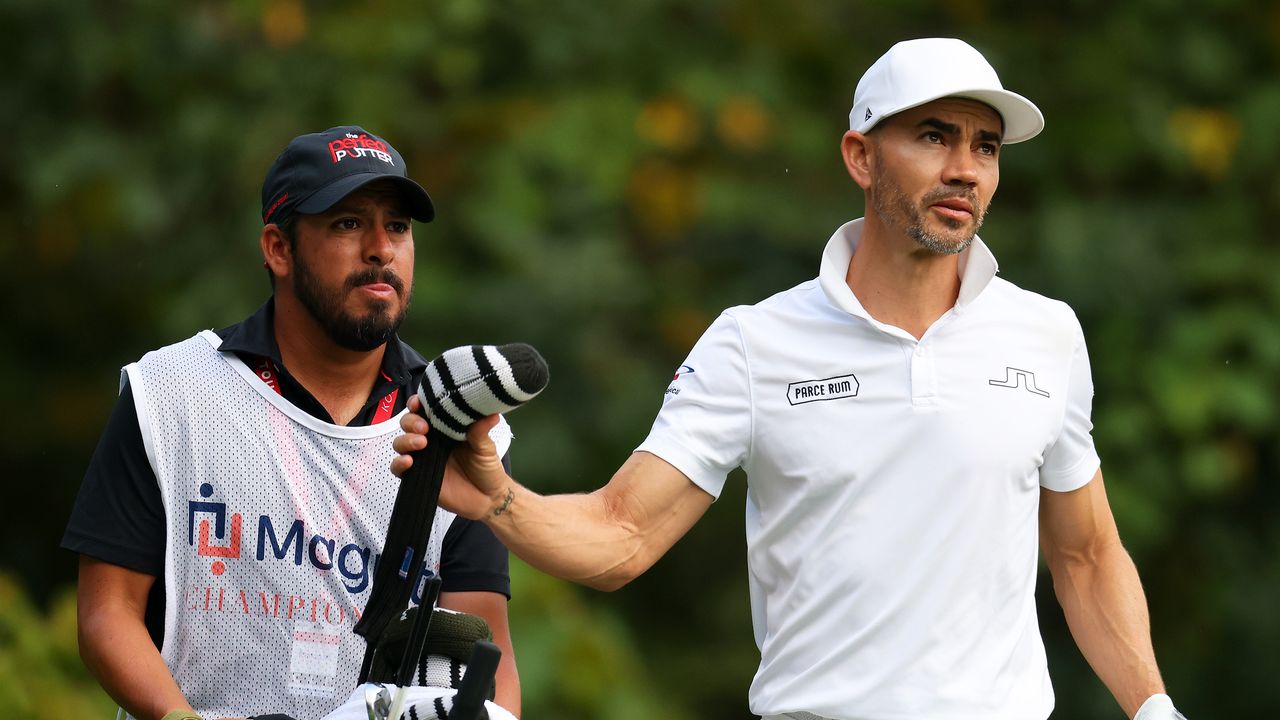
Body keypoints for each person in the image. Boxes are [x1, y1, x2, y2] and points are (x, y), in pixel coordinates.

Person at [392, 39, 1189, 720]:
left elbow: (1086, 557)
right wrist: (496, 495)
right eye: (935, 137)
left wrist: (1154, 708)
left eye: (985, 147)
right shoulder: (755, 342)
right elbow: (620, 538)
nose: (965, 169)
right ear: (860, 155)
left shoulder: (1046, 333)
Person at [62, 126, 521, 720]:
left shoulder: (457, 426)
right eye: (348, 223)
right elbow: (107, 614)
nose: (381, 248)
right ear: (279, 248)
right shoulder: (170, 392)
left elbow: (489, 651)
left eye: (398, 227)